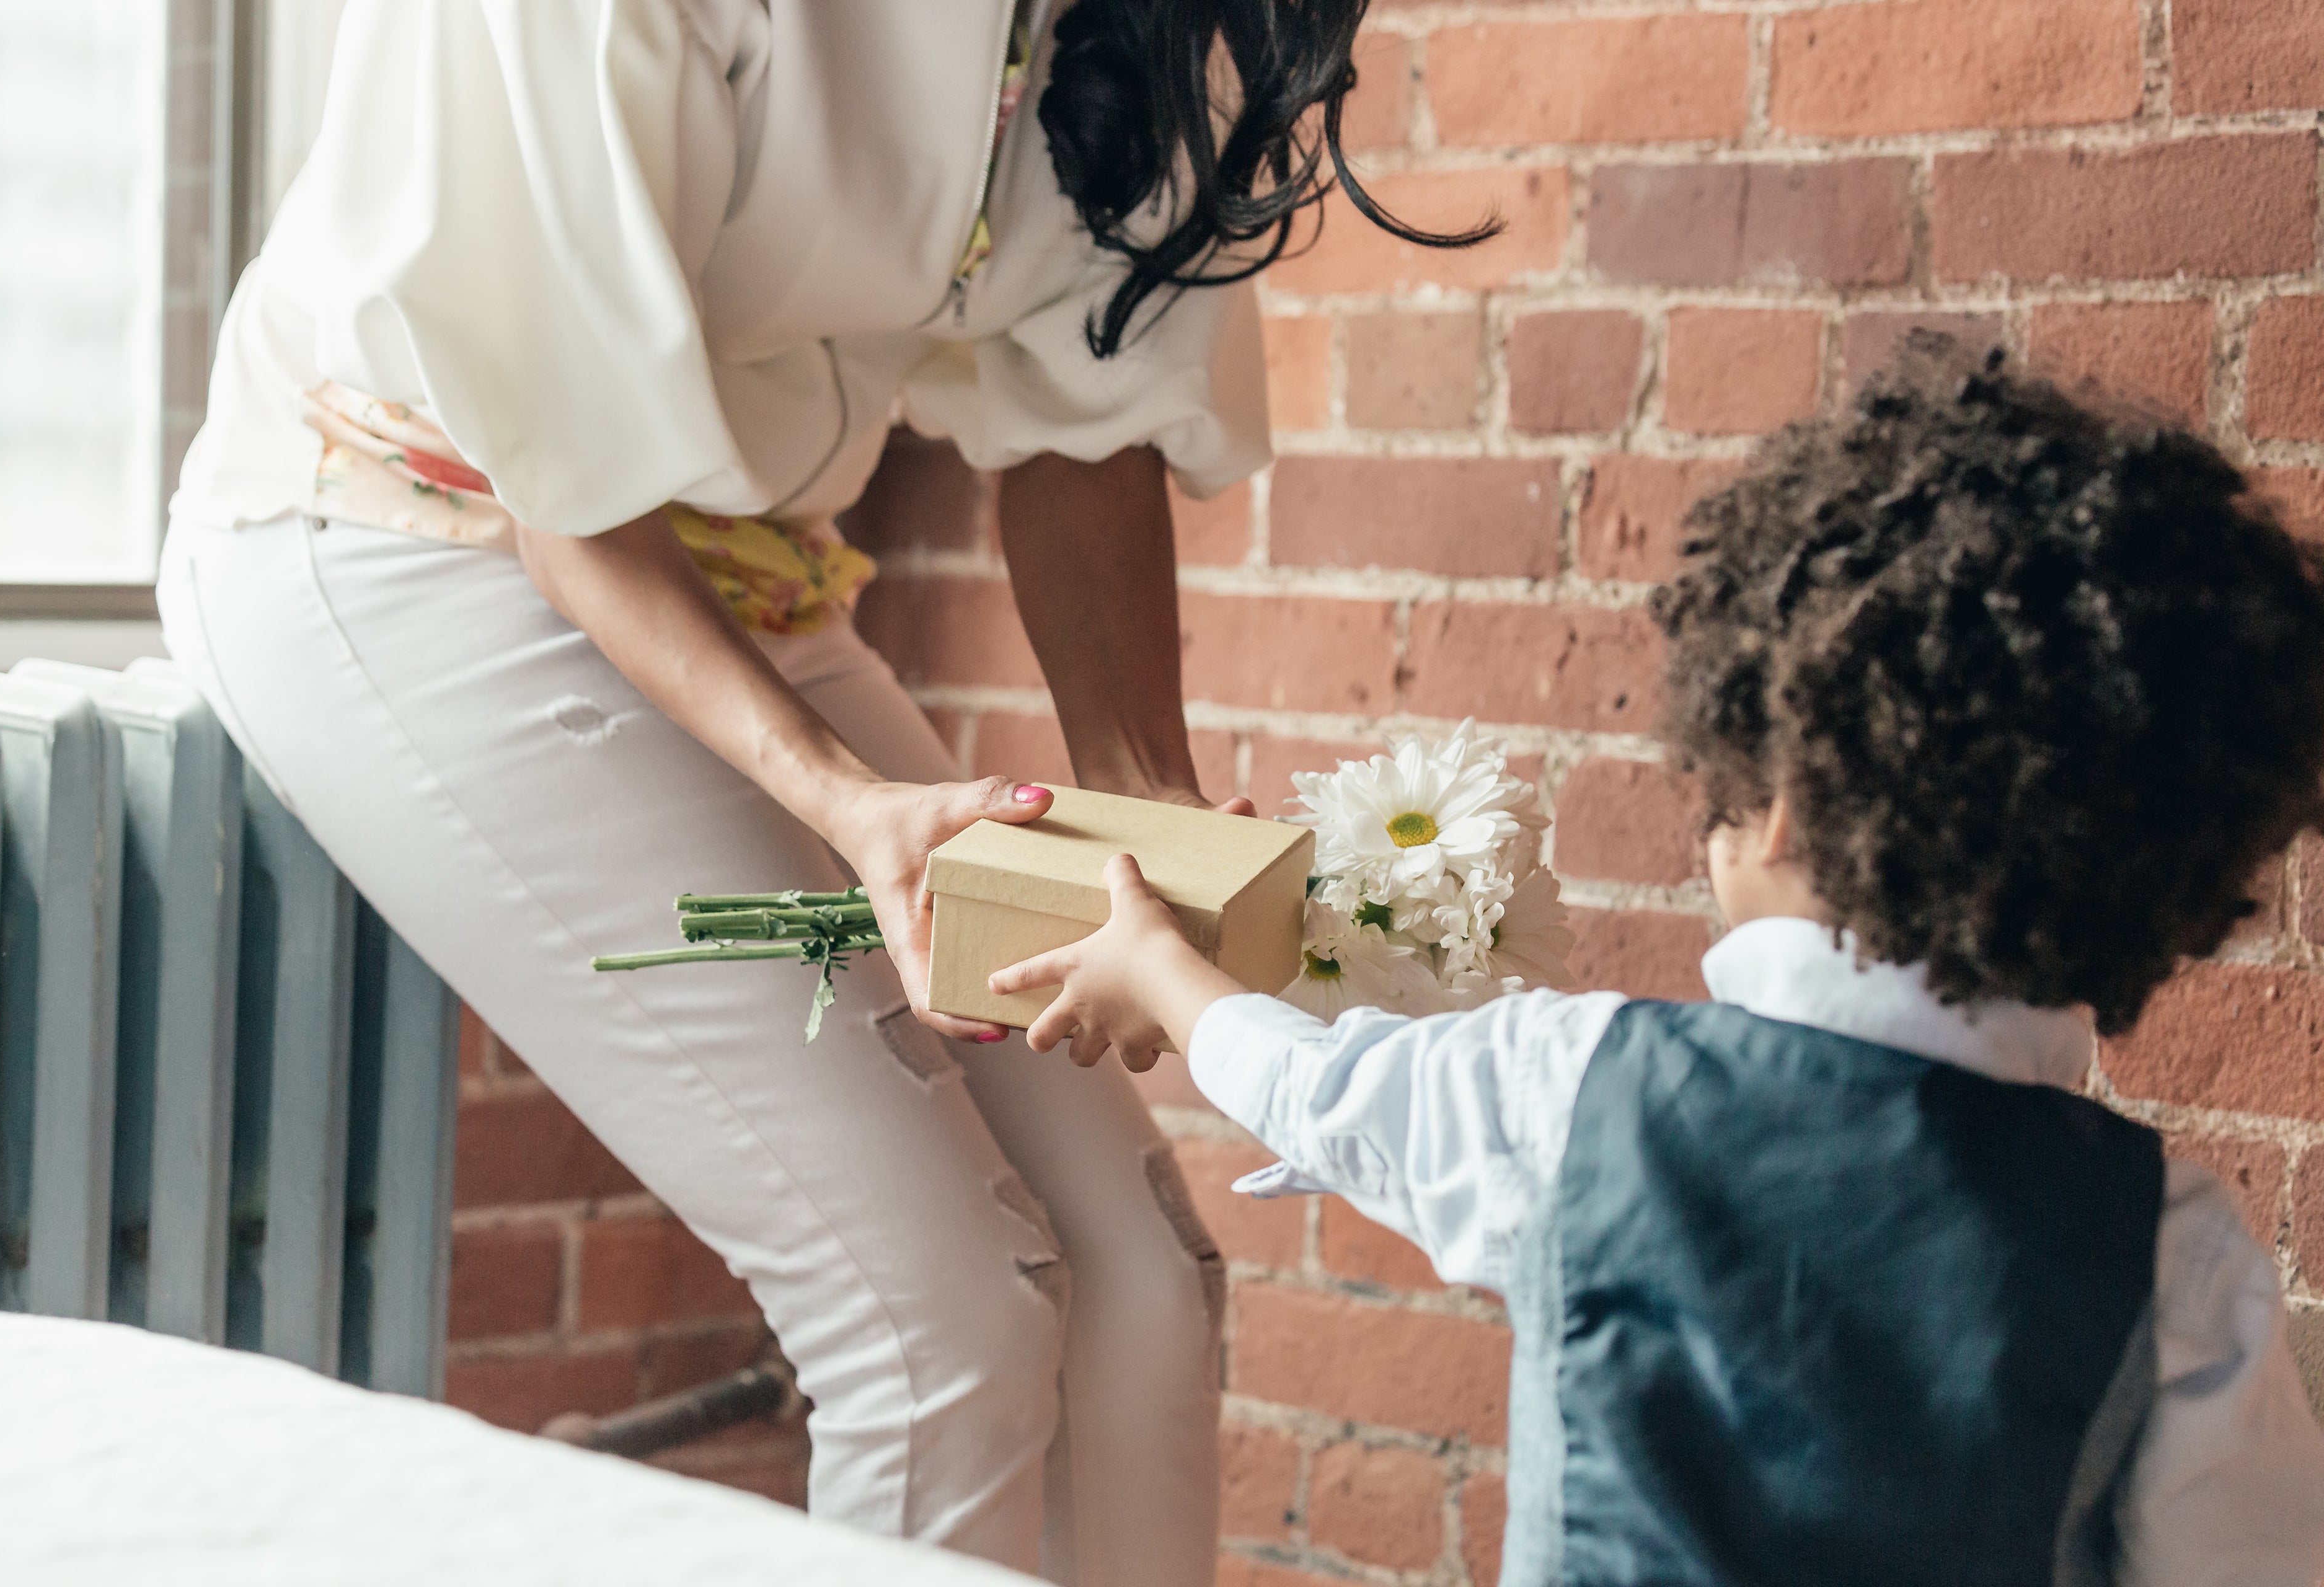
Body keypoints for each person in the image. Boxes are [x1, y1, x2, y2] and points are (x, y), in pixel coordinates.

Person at [152, 2, 1485, 1580]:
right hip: (405, 530)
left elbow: (1085, 407)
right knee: (941, 1323)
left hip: (744, 566)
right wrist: (846, 803)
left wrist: (1159, 818)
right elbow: (574, 491)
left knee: (1145, 1269)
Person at [995, 345, 2324, 1585]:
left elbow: (1327, 1091)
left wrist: (1161, 968)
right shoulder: (2175, 1250)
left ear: (1787, 795)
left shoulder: (1578, 1084)